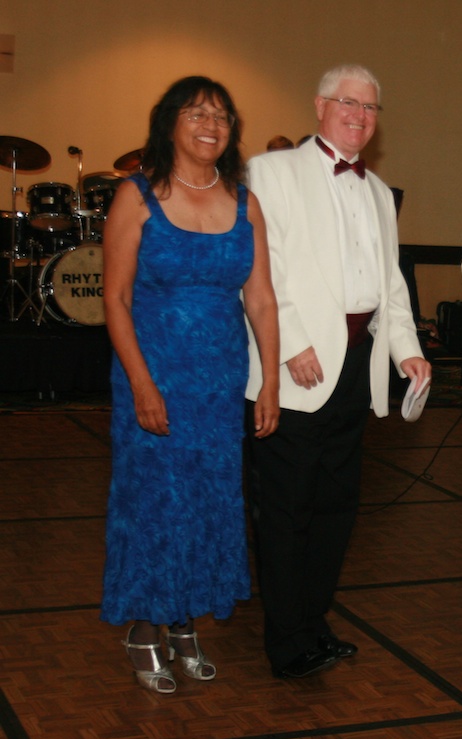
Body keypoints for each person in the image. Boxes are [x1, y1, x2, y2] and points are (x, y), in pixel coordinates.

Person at [245, 64, 430, 679]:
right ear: (320, 106)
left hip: (358, 367)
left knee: (335, 508)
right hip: (296, 363)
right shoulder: (271, 172)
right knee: (287, 508)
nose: (360, 115)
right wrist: (289, 343)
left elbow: (391, 287)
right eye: (349, 103)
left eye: (371, 108)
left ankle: (314, 619)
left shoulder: (379, 192)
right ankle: (285, 638)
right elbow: (257, 267)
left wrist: (405, 347)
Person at [100, 76, 280, 694]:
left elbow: (260, 301)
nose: (211, 124)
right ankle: (145, 628)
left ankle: (184, 624)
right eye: (198, 113)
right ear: (169, 123)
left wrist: (270, 384)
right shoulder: (137, 196)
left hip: (219, 383)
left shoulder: (244, 201)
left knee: (207, 505)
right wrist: (143, 385)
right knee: (154, 504)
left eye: (223, 116)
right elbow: (116, 301)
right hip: (154, 380)